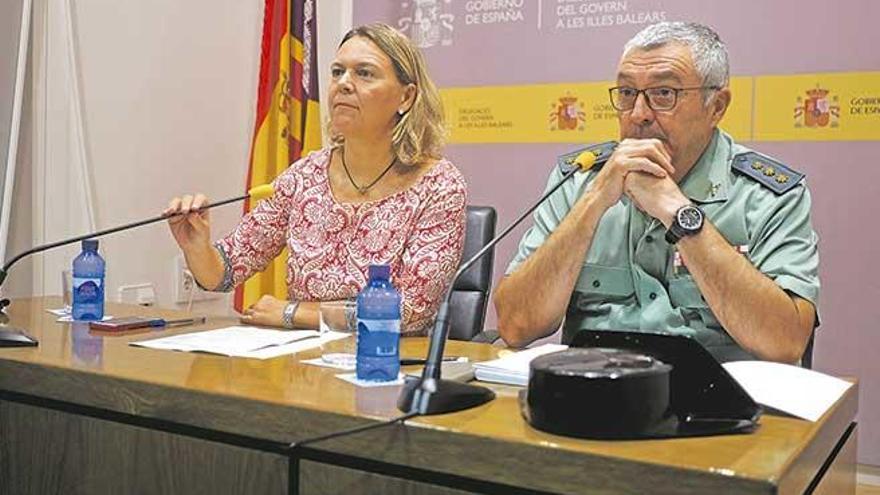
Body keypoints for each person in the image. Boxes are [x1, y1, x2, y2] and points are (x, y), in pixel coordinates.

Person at [494, 22, 819, 363]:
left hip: (717, 405)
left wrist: (681, 215)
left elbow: (784, 342)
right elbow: (516, 325)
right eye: (626, 93)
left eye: (664, 94)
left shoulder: (767, 195)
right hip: (590, 394)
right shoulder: (578, 180)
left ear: (717, 106)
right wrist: (594, 202)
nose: (638, 115)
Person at [165, 23, 467, 335]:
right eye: (338, 72)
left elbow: (411, 311)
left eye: (365, 73)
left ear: (406, 97)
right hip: (300, 366)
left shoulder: (439, 186)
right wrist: (197, 246)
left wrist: (294, 312)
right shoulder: (305, 175)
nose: (344, 84)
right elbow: (225, 272)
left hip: (384, 363)